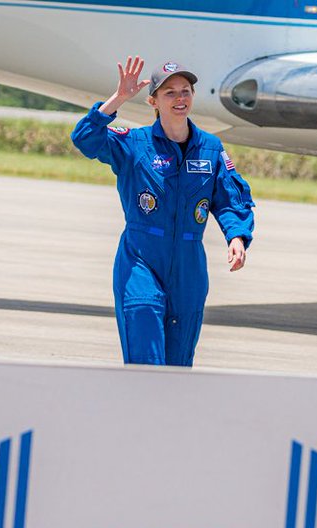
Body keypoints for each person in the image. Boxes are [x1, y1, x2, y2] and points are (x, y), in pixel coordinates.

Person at [71, 56, 255, 366]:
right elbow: (85, 139)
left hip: (189, 267)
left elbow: (231, 198)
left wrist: (236, 236)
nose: (180, 98)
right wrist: (119, 99)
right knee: (146, 357)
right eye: (170, 93)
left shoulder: (210, 148)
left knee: (178, 368)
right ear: (153, 100)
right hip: (141, 260)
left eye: (186, 91)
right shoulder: (135, 144)